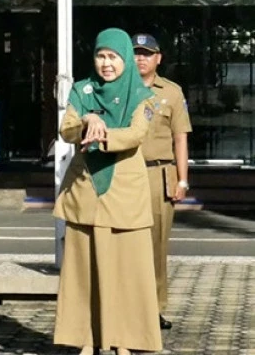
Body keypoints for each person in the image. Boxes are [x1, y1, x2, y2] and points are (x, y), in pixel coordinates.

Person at [53, 28, 162, 355]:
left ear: (126, 59)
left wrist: (103, 135)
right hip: (86, 193)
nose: (106, 63)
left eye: (113, 57)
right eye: (101, 56)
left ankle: (124, 341)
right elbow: (67, 129)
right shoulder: (82, 90)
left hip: (125, 196)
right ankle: (87, 339)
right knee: (84, 272)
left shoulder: (142, 97)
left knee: (127, 273)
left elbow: (135, 135)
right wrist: (87, 120)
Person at [132, 33, 193, 330]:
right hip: (126, 175)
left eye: (147, 53)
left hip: (159, 175)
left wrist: (182, 180)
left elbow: (180, 137)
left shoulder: (171, 92)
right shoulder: (118, 90)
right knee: (125, 246)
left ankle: (154, 309)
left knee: (156, 246)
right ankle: (126, 309)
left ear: (159, 58)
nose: (140, 58)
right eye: (135, 53)